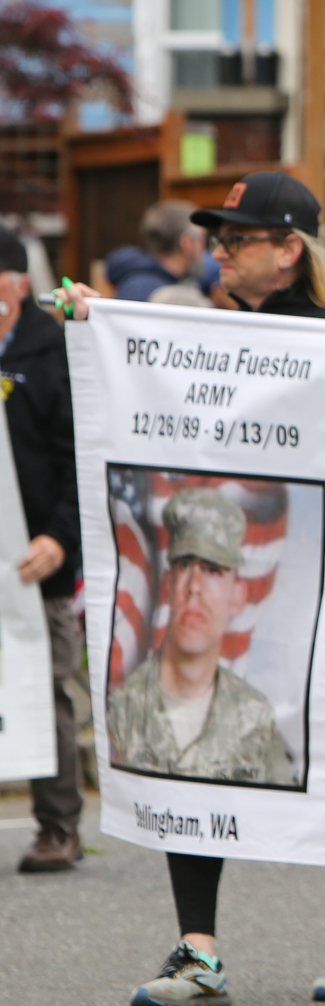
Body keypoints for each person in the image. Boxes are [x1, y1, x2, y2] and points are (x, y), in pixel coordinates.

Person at [56, 169, 325, 1006]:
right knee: (187, 754)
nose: (219, 251)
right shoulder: (209, 336)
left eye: (237, 238)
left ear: (288, 251)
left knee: (307, 745)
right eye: (216, 238)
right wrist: (86, 325)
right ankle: (199, 953)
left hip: (302, 592)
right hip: (210, 579)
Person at [106, 489, 297, 784]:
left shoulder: (255, 716)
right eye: (184, 566)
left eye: (212, 570)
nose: (194, 586)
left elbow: (278, 818)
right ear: (168, 584)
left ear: (238, 596)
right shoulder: (122, 707)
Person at [0, 225, 86, 874]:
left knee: (49, 686)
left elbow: (78, 458)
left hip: (40, 557)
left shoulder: (52, 350)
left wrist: (60, 538)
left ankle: (58, 824)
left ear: (18, 284)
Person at [105, 200, 214, 303]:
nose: (204, 248)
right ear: (186, 243)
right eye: (201, 239)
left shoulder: (172, 282)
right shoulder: (142, 291)